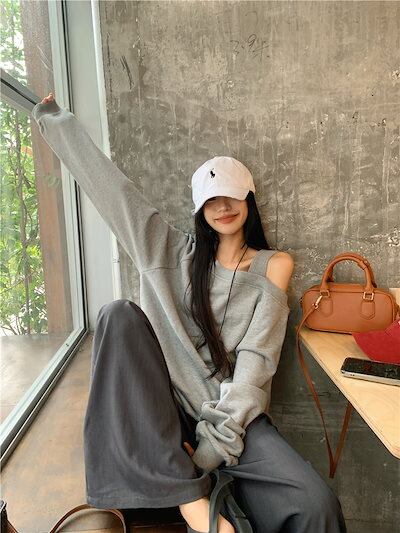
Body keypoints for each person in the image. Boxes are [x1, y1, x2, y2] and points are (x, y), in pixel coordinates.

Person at [32, 93, 347, 533]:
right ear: (199, 208)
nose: (223, 207)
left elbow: (257, 363)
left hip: (231, 415)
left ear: (248, 197)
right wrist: (53, 119)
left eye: (231, 195)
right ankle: (191, 501)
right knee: (118, 315)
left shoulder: (273, 265)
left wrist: (205, 453)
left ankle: (191, 483)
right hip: (158, 409)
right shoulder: (166, 251)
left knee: (315, 504)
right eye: (211, 199)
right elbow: (112, 190)